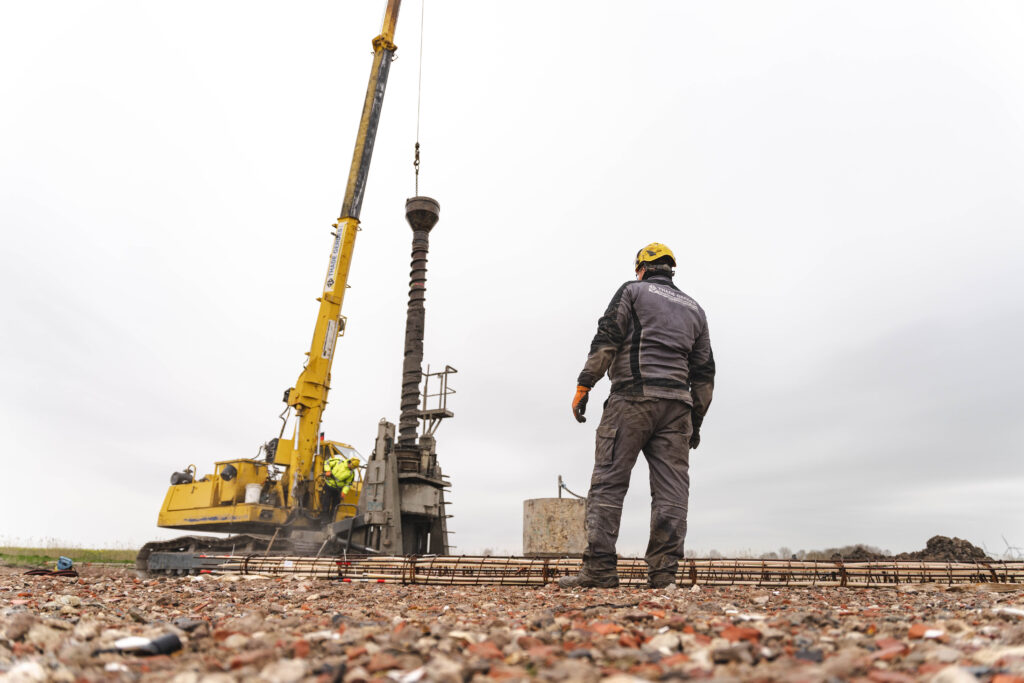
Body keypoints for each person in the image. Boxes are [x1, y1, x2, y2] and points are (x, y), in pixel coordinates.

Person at [559, 243, 715, 589]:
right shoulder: (696, 310)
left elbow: (607, 338)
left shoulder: (633, 291)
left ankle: (600, 571)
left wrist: (585, 384)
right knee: (672, 491)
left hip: (632, 399)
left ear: (642, 268)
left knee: (609, 484)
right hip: (678, 408)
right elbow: (704, 374)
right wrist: (696, 421)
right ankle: (663, 575)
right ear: (670, 269)